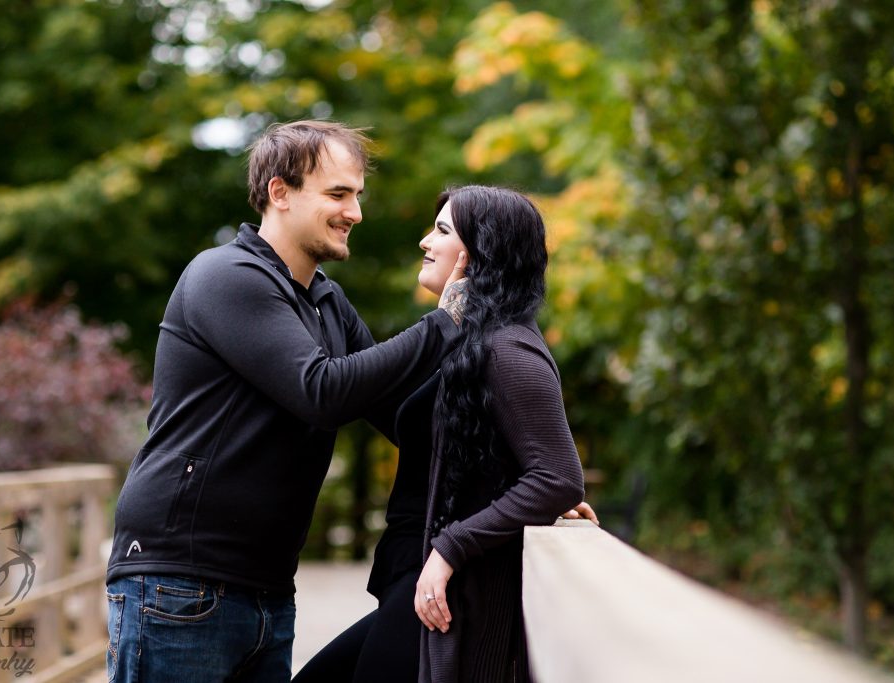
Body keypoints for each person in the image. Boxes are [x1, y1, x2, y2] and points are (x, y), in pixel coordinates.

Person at [104, 120, 469, 683]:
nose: (356, 213)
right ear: (280, 192)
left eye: (357, 196)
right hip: (177, 584)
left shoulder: (325, 298)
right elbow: (321, 391)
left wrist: (529, 479)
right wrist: (446, 320)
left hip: (268, 590)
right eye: (338, 194)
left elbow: (400, 412)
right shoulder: (225, 275)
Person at [293, 185, 595, 683]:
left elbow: (559, 477)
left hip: (445, 587)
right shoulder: (472, 344)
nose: (423, 242)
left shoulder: (510, 349)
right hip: (415, 577)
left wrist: (452, 547)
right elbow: (495, 456)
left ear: (477, 256)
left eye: (441, 230)